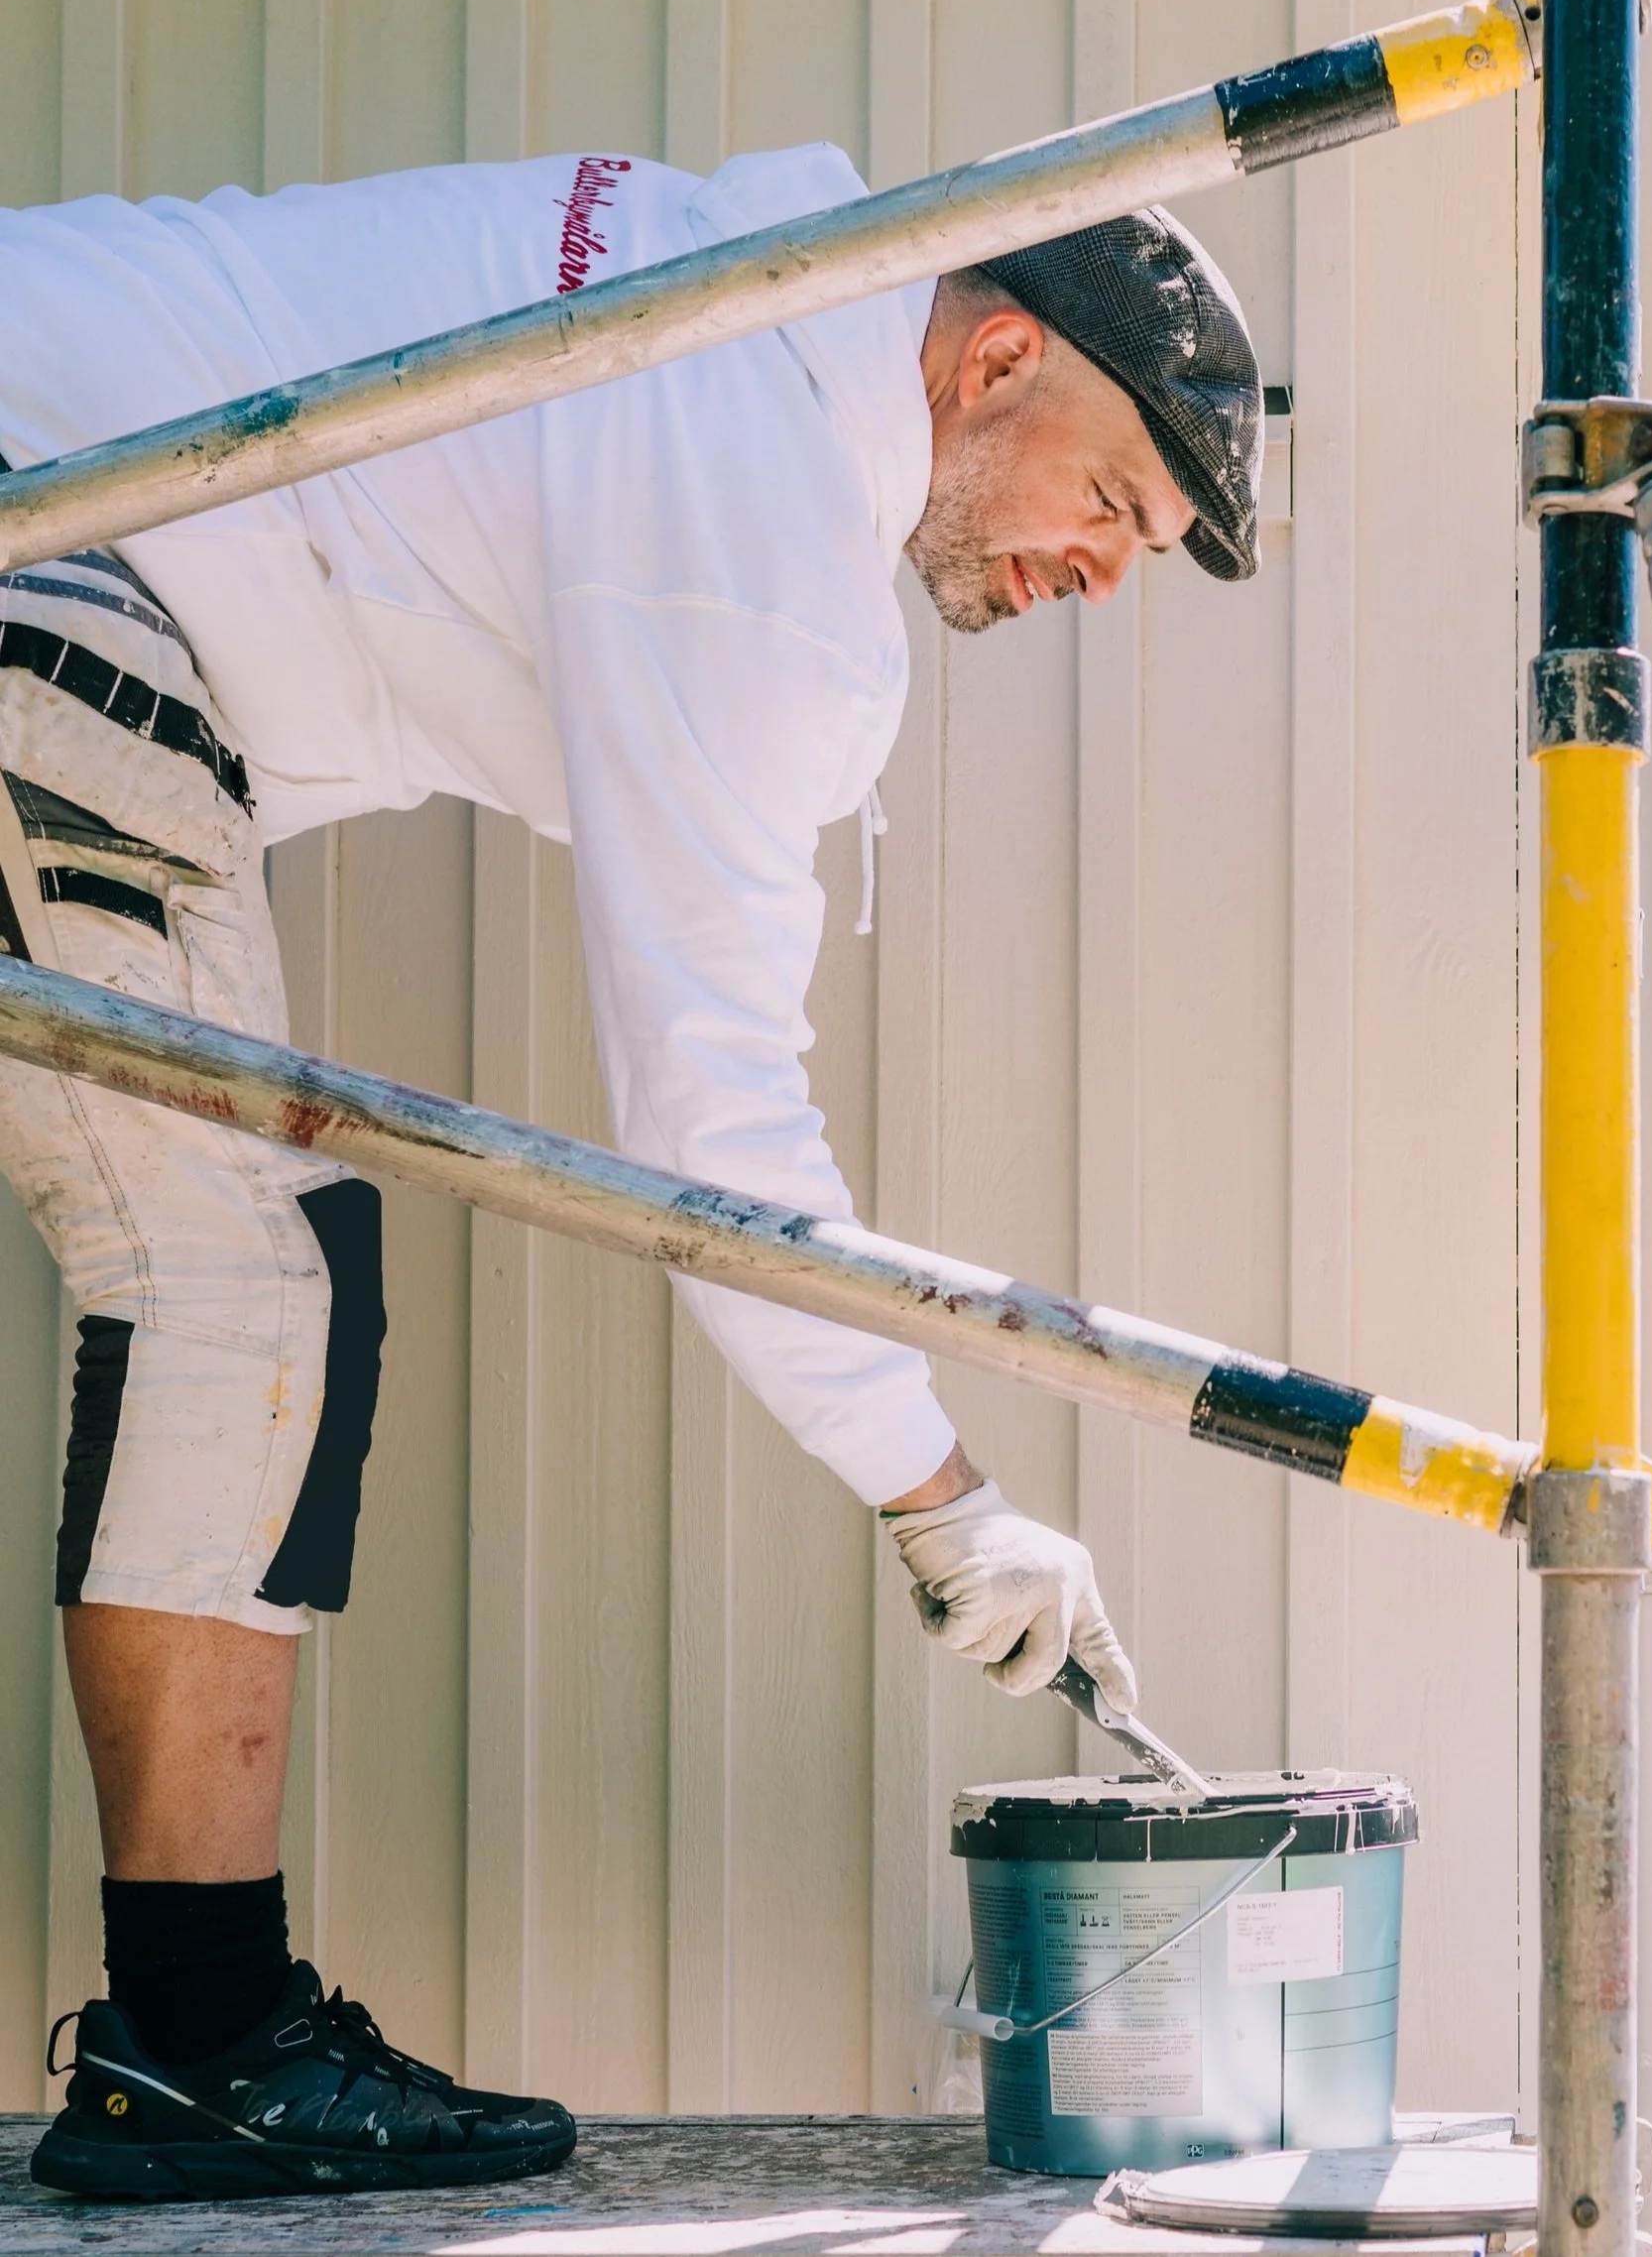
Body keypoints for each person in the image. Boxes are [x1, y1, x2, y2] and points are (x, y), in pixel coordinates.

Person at [0, 141, 1260, 2199]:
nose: (1098, 571)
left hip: (79, 576)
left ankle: (202, 2030)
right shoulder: (748, 498)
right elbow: (710, 1129)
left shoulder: (739, 324)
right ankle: (202, 2038)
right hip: (41, 566)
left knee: (250, 1261)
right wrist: (941, 1498)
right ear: (997, 353)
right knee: (237, 1283)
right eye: (1110, 500)